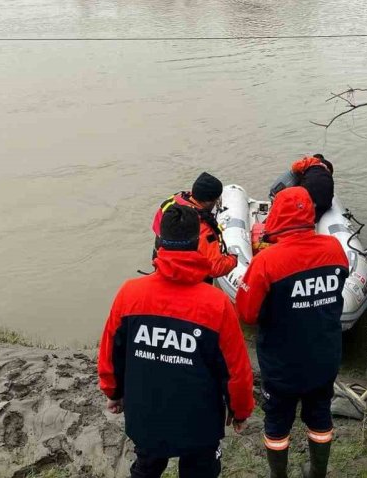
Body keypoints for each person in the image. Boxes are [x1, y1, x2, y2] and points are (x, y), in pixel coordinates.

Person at [99, 204, 254, 478]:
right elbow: (235, 371)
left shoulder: (129, 294)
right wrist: (239, 411)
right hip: (200, 422)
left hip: (146, 415)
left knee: (146, 469)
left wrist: (114, 392)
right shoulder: (216, 304)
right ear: (197, 243)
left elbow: (111, 352)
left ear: (158, 242)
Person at [236, 187, 349, 478]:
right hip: (325, 357)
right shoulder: (335, 250)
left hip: (282, 364)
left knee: (277, 425)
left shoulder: (267, 262)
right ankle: (317, 473)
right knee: (320, 416)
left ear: (278, 216)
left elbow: (247, 313)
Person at [151, 172, 237, 281]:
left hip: (162, 264)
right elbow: (215, 267)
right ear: (209, 201)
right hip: (189, 277)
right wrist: (233, 259)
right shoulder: (201, 226)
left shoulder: (174, 201)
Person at [288, 155, 335, 222]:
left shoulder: (311, 160)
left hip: (310, 186)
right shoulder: (328, 166)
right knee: (322, 207)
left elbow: (295, 167)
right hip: (327, 195)